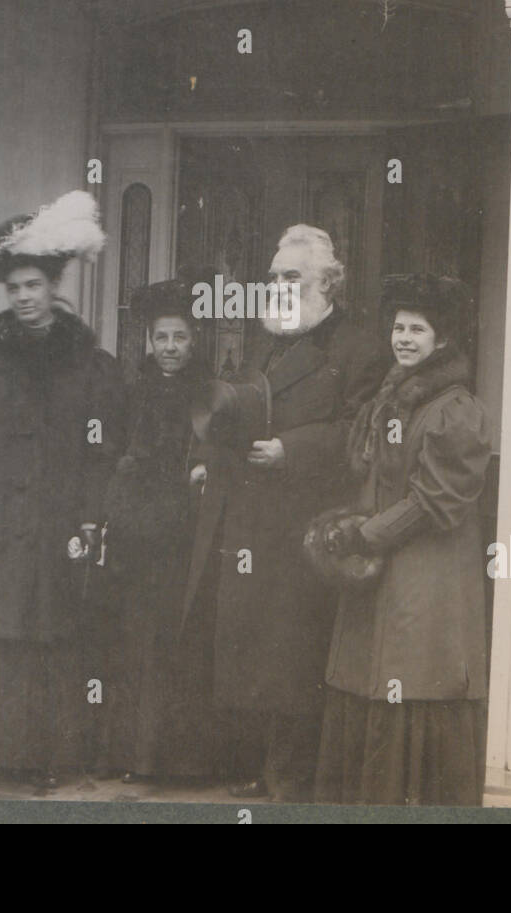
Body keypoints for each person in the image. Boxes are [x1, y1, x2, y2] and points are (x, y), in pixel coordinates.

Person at [0, 191, 126, 791]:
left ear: (52, 286)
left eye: (33, 286)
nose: (23, 297)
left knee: (46, 636)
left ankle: (46, 758)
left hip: (55, 522)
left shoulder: (88, 365)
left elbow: (101, 450)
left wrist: (91, 518)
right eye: (13, 287)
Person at [188, 225, 385, 802]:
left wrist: (292, 450)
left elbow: (361, 431)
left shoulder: (359, 348)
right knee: (252, 650)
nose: (277, 286)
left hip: (307, 526)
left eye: (291, 277)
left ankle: (294, 780)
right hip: (250, 518)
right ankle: (260, 767)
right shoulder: (268, 343)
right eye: (273, 277)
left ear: (328, 283)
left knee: (295, 653)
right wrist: (210, 457)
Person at [313, 273, 493, 806]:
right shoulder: (389, 399)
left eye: (418, 329)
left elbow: (435, 500)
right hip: (382, 574)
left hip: (427, 578)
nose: (405, 338)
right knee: (369, 681)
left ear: (441, 341)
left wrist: (365, 535)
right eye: (398, 328)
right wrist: (347, 524)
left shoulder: (455, 409)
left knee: (411, 682)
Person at [100, 277, 219, 783]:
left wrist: (200, 472)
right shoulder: (133, 393)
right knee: (135, 642)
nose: (170, 348)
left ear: (195, 342)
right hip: (137, 537)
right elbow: (115, 458)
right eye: (162, 338)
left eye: (180, 338)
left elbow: (220, 454)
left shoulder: (210, 395)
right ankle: (130, 756)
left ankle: (176, 762)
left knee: (178, 644)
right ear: (150, 341)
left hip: (185, 537)